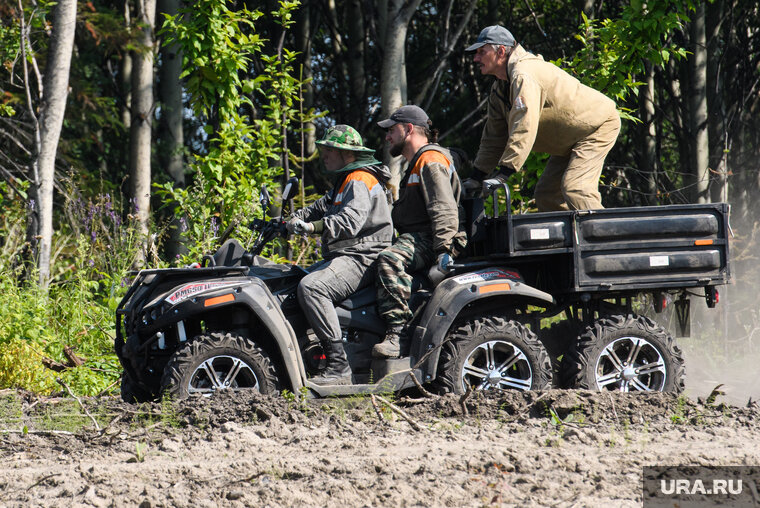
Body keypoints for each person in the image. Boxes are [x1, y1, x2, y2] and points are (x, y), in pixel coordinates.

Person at [462, 25, 621, 211]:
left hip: (597, 126)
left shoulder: (524, 75)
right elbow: (494, 137)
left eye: (482, 52)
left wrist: (505, 172)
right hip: (572, 138)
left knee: (576, 189)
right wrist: (477, 177)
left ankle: (605, 238)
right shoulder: (500, 89)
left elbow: (524, 124)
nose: (476, 58)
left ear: (501, 51)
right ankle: (570, 240)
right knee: (547, 195)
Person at [288, 125, 393, 385]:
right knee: (291, 281)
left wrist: (311, 228)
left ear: (346, 153)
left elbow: (350, 221)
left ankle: (338, 367)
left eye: (328, 150)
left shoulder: (359, 179)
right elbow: (320, 207)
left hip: (363, 257)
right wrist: (289, 220)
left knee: (312, 288)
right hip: (349, 255)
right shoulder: (344, 181)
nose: (323, 154)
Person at [372, 105, 467, 359]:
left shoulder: (430, 159)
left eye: (392, 130)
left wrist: (444, 250)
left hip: (433, 238)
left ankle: (397, 335)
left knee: (389, 260)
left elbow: (443, 206)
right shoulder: (415, 164)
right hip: (424, 237)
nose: (387, 136)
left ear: (409, 129)